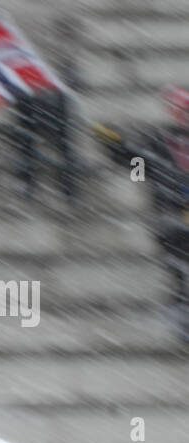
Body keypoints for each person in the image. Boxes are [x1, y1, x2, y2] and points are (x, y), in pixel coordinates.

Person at [93, 86, 189, 344]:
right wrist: (113, 142)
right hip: (171, 217)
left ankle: (182, 314)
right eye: (182, 110)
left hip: (174, 216)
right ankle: (182, 319)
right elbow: (136, 166)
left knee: (181, 269)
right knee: (179, 269)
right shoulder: (157, 141)